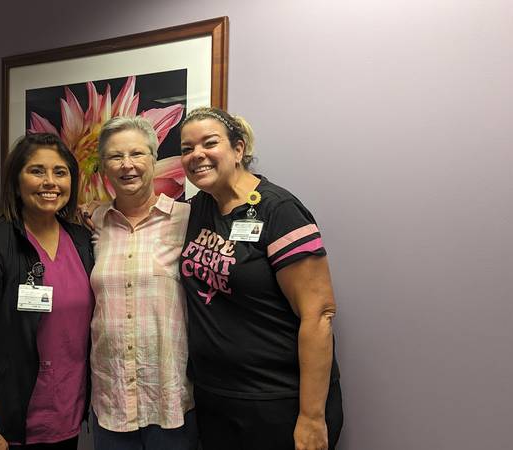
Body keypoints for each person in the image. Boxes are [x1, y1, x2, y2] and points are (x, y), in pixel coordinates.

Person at [177, 107, 343, 450]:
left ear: (238, 149)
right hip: (216, 398)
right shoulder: (197, 209)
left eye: (209, 143)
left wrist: (311, 417)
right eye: (186, 148)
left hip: (277, 400)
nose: (197, 155)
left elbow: (319, 314)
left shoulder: (278, 210)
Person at [0, 133, 95, 449]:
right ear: (16, 181)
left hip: (64, 417)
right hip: (5, 424)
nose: (50, 182)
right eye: (37, 171)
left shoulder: (82, 242)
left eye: (60, 172)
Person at [88, 116, 197, 450]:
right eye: (115, 157)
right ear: (104, 167)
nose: (127, 165)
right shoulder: (94, 222)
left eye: (137, 154)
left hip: (170, 399)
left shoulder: (187, 220)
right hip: (111, 401)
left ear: (154, 159)